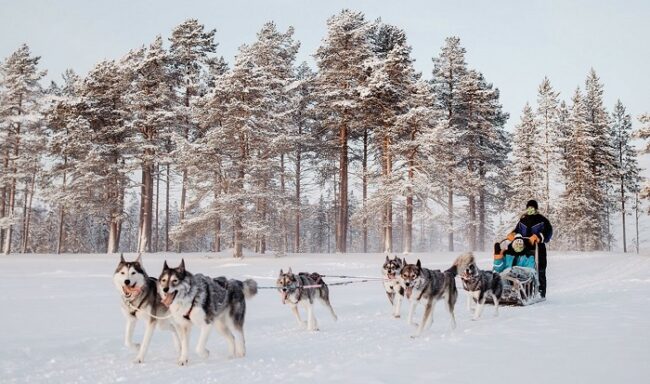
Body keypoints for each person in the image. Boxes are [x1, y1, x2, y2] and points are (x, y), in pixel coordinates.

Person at [507, 199, 553, 298]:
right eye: (529, 208)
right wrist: (512, 234)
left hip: (538, 248)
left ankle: (541, 292)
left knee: (540, 269)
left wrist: (538, 236)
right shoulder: (523, 220)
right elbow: (517, 230)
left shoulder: (542, 220)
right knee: (521, 268)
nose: (530, 210)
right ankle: (519, 289)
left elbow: (549, 232)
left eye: (532, 208)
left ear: (536, 209)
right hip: (524, 248)